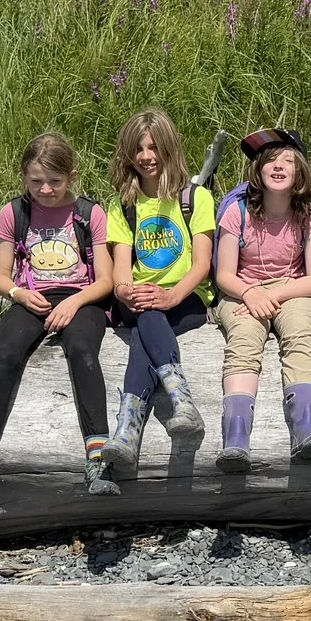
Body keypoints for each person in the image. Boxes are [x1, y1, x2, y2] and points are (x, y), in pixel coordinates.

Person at [0, 133, 117, 516]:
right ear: (24, 177)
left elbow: (105, 281)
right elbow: (1, 277)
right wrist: (20, 295)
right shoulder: (14, 212)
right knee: (6, 353)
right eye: (36, 181)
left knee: (82, 351)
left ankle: (98, 457)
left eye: (55, 182)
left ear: (71, 176)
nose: (45, 189)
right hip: (32, 298)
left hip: (81, 297)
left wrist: (75, 302)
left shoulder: (90, 213)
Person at [213, 128, 311, 472]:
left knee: (299, 333)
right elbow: (223, 274)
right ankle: (236, 440)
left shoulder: (308, 216)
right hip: (241, 290)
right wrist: (252, 293)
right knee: (243, 339)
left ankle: (305, 430)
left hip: (292, 289)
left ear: (300, 171)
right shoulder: (236, 212)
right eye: (270, 161)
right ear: (257, 170)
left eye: (287, 160)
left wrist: (275, 293)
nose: (279, 166)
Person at [101, 108, 216, 470]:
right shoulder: (123, 204)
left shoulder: (195, 198)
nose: (146, 157)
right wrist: (123, 290)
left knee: (144, 331)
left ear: (169, 149)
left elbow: (202, 265)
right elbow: (121, 267)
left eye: (154, 147)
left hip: (185, 298)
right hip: (138, 298)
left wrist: (170, 296)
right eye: (138, 149)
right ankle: (180, 399)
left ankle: (127, 430)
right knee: (147, 314)